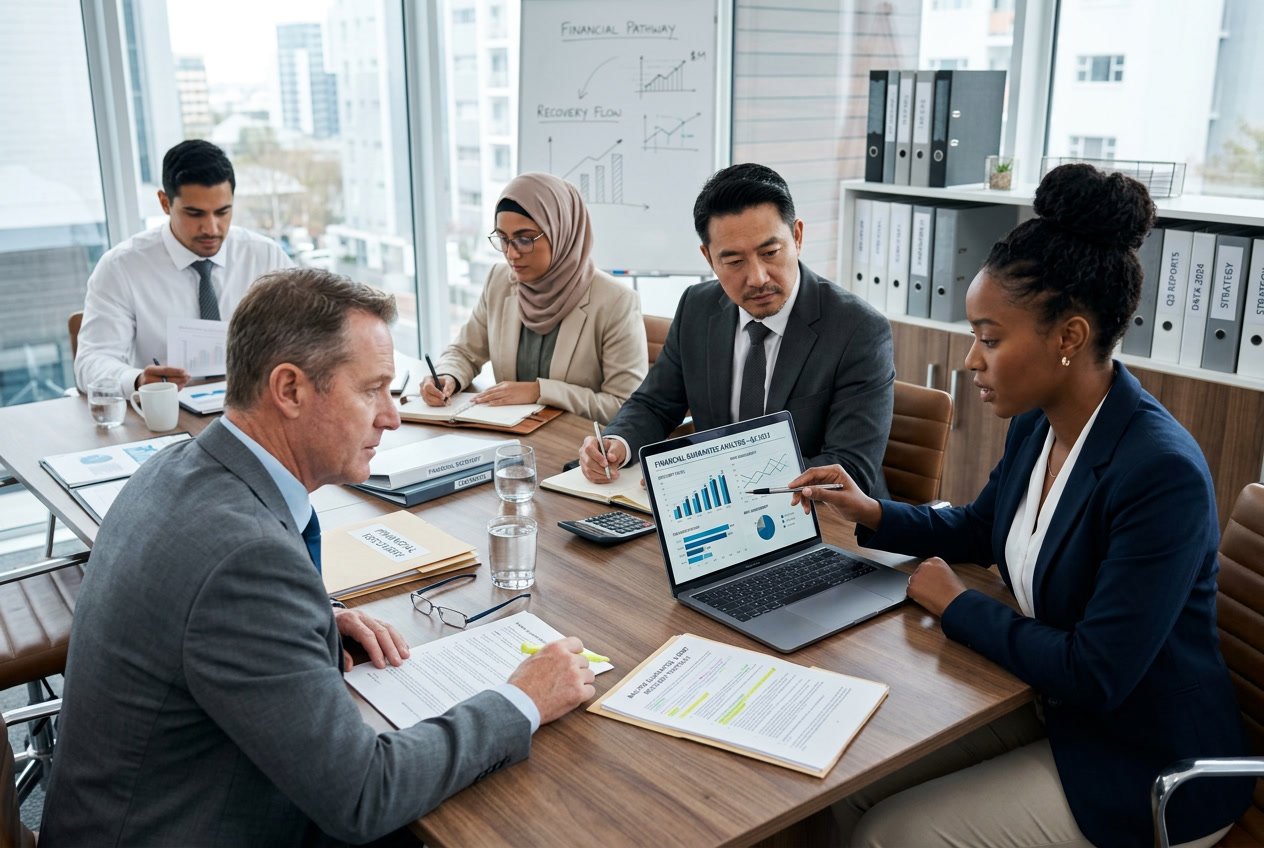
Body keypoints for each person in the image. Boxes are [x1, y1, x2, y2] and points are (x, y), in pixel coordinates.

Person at [41, 269, 596, 847]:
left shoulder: (177, 468)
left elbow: (196, 615)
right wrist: (521, 700)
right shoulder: (247, 563)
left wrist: (305, 625)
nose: (392, 416)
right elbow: (363, 794)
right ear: (289, 390)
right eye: (371, 389)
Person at [789, 164, 1251, 848]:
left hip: (1147, 759)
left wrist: (956, 604)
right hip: (1052, 704)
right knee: (844, 791)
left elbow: (1097, 674)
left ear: (1068, 338)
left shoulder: (1160, 473)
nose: (971, 359)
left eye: (990, 337)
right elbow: (980, 527)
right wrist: (874, 513)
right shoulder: (1041, 423)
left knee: (893, 833)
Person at [577, 163, 894, 497]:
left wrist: (710, 473)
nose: (757, 277)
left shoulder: (858, 330)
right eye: (733, 261)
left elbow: (846, 469)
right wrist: (617, 443)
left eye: (770, 252)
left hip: (827, 520)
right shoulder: (697, 307)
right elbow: (655, 404)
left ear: (797, 237)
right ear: (709, 257)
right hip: (719, 513)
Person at [422, 172, 647, 425]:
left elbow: (625, 406)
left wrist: (540, 392)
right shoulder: (499, 281)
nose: (511, 254)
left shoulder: (615, 301)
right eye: (503, 239)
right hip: (510, 439)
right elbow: (464, 351)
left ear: (561, 232)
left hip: (579, 450)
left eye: (524, 239)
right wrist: (447, 376)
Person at [74, 139, 293, 396]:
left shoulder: (265, 256)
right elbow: (91, 362)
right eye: (195, 214)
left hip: (255, 411)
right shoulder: (121, 267)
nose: (211, 228)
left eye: (222, 212)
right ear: (165, 203)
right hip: (169, 415)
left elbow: (309, 334)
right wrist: (137, 381)